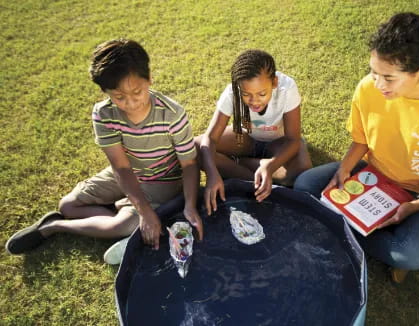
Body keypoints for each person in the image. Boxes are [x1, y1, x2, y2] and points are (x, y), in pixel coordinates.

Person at [294, 13, 419, 283]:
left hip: (416, 190)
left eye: (389, 78)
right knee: (304, 186)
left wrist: (418, 204)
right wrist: (344, 169)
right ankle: (360, 229)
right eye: (374, 72)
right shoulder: (368, 88)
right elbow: (362, 139)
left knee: (413, 255)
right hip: (370, 173)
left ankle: (340, 227)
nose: (378, 84)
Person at [6, 39, 203, 264]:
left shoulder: (172, 114)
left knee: (120, 225)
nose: (130, 103)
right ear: (105, 92)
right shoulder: (103, 113)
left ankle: (55, 227)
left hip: (162, 181)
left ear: (149, 79)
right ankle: (123, 216)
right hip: (126, 173)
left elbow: (189, 164)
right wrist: (145, 211)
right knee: (68, 206)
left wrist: (188, 205)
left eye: (137, 92)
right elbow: (120, 166)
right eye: (119, 97)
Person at [196, 49, 312, 215]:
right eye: (246, 94)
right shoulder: (232, 92)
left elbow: (293, 140)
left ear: (274, 82)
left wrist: (270, 166)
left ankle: (239, 167)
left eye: (262, 94)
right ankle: (257, 177)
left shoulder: (287, 88)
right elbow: (210, 138)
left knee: (302, 169)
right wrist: (212, 174)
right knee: (195, 147)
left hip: (278, 143)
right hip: (245, 139)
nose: (254, 101)